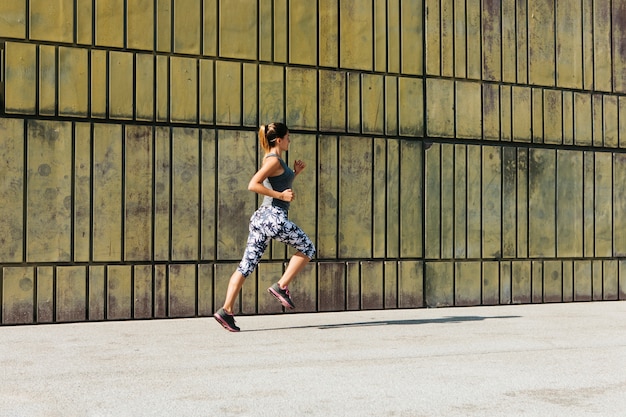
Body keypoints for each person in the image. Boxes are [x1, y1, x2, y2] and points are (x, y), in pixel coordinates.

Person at [213, 122, 316, 332]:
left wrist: (294, 174)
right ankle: (282, 286)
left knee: (246, 266)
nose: (290, 140)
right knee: (308, 248)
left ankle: (226, 310)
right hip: (272, 217)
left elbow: (276, 183)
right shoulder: (273, 159)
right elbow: (253, 184)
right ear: (279, 139)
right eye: (288, 137)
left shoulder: (275, 160)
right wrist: (281, 196)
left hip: (261, 219)